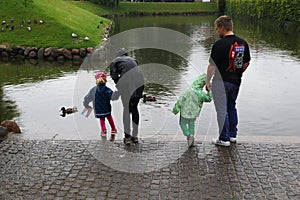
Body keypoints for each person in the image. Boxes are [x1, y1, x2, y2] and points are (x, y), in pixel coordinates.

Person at [205, 15, 251, 147]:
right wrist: (237, 73)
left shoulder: (219, 44)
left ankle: (223, 138)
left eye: (217, 29)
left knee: (221, 110)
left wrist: (207, 82)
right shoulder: (242, 43)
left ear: (223, 28)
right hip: (236, 82)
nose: (216, 32)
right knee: (231, 107)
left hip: (220, 82)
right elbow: (247, 62)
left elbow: (212, 66)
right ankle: (232, 135)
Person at [109, 48, 144, 145]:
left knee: (126, 109)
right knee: (134, 108)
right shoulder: (133, 60)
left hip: (127, 83)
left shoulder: (115, 61)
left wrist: (119, 86)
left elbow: (114, 76)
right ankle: (135, 136)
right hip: (140, 82)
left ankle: (127, 137)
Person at [172, 73, 212, 148]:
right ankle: (192, 136)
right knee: (191, 124)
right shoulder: (201, 93)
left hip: (184, 112)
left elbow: (180, 100)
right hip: (194, 113)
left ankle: (188, 135)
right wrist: (209, 90)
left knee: (182, 124)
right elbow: (209, 99)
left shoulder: (187, 91)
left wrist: (175, 109)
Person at [83, 71, 118, 141]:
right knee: (109, 117)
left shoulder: (93, 90)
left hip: (98, 109)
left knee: (102, 119)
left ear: (96, 80)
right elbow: (113, 98)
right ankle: (113, 129)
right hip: (107, 108)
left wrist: (85, 104)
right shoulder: (107, 90)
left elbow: (87, 98)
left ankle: (104, 131)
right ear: (105, 80)